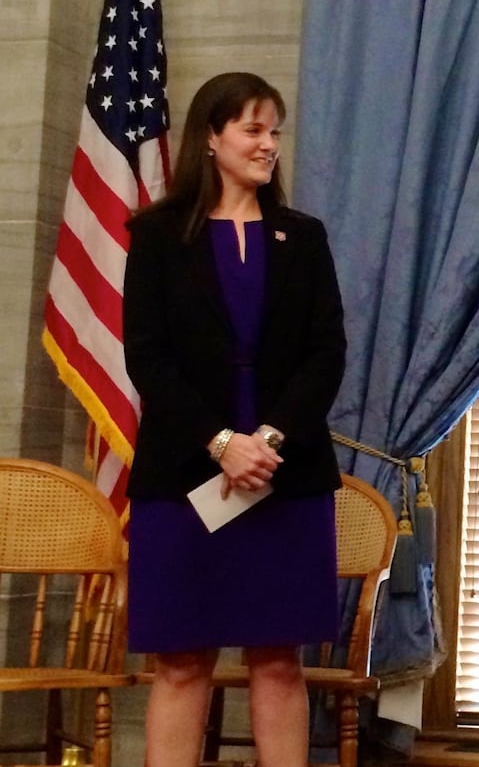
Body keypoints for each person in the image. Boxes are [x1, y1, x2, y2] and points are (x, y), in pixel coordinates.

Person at [123, 72, 347, 767]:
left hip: (287, 472)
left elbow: (326, 353)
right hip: (184, 476)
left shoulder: (303, 237)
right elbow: (148, 358)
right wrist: (222, 443)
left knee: (279, 659)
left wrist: (268, 439)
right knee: (181, 660)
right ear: (211, 138)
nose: (268, 143)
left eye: (274, 130)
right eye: (253, 129)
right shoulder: (156, 236)